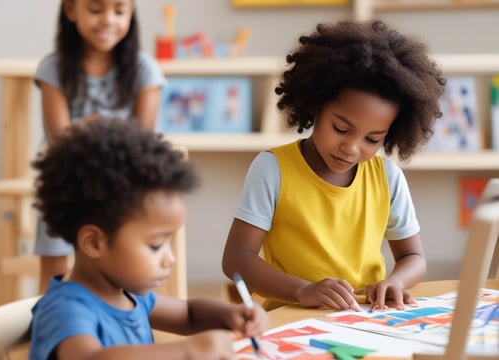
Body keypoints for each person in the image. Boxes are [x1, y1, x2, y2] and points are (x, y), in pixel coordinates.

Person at [222, 20, 446, 312]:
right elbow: (237, 258)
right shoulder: (273, 169)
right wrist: (303, 291)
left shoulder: (388, 178)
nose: (351, 148)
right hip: (290, 317)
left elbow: (413, 258)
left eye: (372, 138)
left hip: (366, 319)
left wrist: (397, 282)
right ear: (316, 105)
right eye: (340, 128)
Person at [29, 119, 268, 360]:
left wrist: (231, 315)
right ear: (94, 243)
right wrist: (187, 350)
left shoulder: (128, 293)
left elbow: (188, 314)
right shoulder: (66, 309)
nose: (170, 259)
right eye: (155, 246)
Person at [33, 0, 166, 293]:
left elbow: (141, 141)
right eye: (95, 10)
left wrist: (87, 126)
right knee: (53, 269)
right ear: (70, 10)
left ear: (131, 14)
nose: (108, 20)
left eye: (119, 11)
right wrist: (113, 129)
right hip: (65, 179)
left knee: (122, 261)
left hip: (122, 183)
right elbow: (60, 139)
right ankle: (50, 322)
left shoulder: (145, 69)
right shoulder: (53, 68)